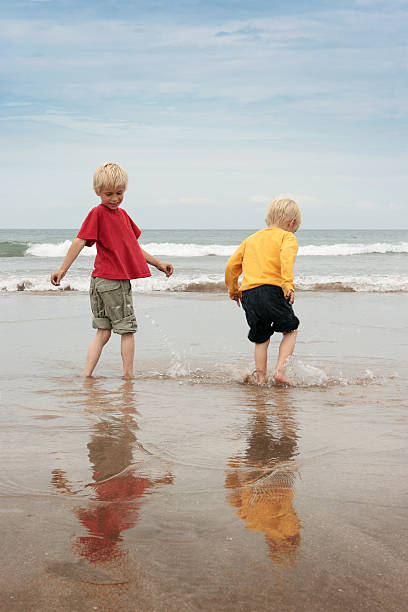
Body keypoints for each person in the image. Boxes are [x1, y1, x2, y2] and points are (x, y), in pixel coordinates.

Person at [51, 162, 173, 378]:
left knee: (103, 331)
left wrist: (157, 263)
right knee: (127, 330)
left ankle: (86, 375)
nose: (115, 198)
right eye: (109, 194)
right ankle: (128, 377)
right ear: (97, 192)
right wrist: (63, 269)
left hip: (99, 281)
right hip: (113, 282)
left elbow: (133, 248)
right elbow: (80, 241)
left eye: (119, 193)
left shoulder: (123, 215)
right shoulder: (97, 213)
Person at [225, 198, 301, 384]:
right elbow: (286, 260)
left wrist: (234, 290)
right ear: (291, 223)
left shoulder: (250, 239)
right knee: (291, 329)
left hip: (249, 294)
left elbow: (231, 267)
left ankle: (261, 379)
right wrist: (287, 284)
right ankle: (280, 371)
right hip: (273, 290)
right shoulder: (287, 237)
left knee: (261, 338)